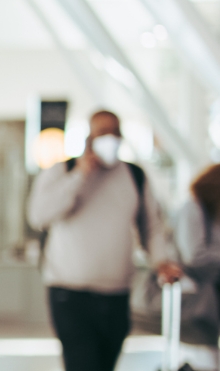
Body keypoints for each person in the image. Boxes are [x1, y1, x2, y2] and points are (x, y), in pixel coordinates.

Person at [29, 110, 183, 371]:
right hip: (70, 294)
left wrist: (162, 262)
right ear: (89, 137)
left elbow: (152, 227)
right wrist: (80, 175)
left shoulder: (134, 176)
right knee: (83, 363)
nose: (109, 138)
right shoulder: (63, 170)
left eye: (114, 132)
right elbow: (39, 215)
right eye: (102, 133)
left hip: (116, 295)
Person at [174, 164, 220, 371]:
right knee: (202, 358)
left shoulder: (214, 214)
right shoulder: (194, 208)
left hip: (212, 296)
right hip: (198, 296)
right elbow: (194, 254)